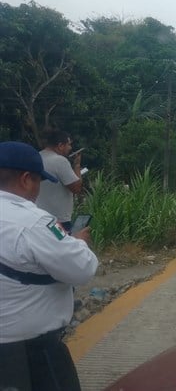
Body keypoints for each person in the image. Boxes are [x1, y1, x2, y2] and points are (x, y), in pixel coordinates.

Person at [0, 141, 98, 391]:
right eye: (38, 182)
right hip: (28, 353)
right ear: (25, 179)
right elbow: (83, 268)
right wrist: (78, 243)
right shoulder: (35, 222)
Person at [36, 129, 83, 231]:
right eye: (69, 144)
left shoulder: (37, 157)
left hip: (38, 218)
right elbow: (77, 188)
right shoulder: (60, 161)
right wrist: (77, 165)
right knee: (64, 245)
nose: (70, 148)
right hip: (58, 222)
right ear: (61, 145)